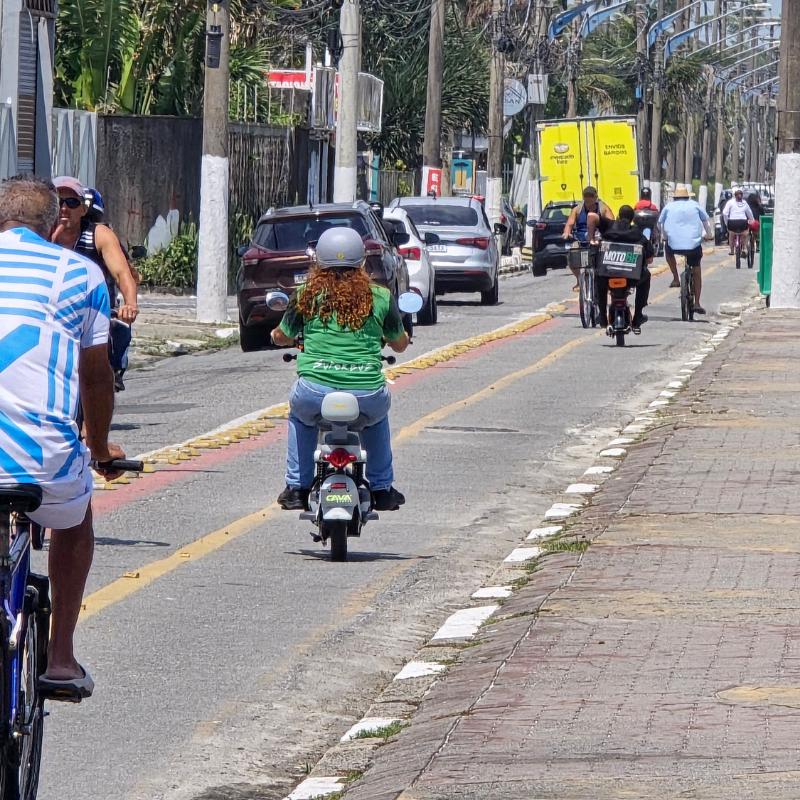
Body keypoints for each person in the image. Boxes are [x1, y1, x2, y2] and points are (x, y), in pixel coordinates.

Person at [0, 175, 124, 701]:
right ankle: (62, 657)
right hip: (44, 460)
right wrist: (100, 447)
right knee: (76, 518)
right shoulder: (80, 273)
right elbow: (96, 377)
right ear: (54, 227)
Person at [271, 227, 409, 513]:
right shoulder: (380, 297)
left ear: (318, 261)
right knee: (376, 418)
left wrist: (276, 336)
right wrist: (397, 336)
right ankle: (382, 488)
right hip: (366, 393)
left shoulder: (306, 294)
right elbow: (399, 344)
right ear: (362, 262)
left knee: (300, 417)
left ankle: (297, 487)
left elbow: (283, 336)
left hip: (314, 392)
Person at [51, 177, 139, 391]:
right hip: (55, 311)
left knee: (118, 329)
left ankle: (112, 373)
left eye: (72, 203)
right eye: (59, 202)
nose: (64, 208)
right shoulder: (41, 235)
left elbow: (122, 274)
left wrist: (130, 304)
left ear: (83, 209)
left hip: (95, 312)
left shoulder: (99, 235)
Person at [595, 205, 654, 334]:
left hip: (607, 276)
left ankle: (603, 317)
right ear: (632, 219)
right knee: (646, 276)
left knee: (598, 279)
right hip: (631, 278)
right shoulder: (638, 234)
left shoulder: (608, 232)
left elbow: (592, 217)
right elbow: (650, 258)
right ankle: (638, 315)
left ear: (618, 216)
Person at [658, 186, 714, 313]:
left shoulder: (668, 207)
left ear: (675, 197)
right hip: (693, 246)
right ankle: (697, 303)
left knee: (668, 252)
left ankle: (675, 278)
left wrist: (665, 237)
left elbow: (660, 223)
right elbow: (705, 221)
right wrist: (709, 235)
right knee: (697, 270)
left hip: (673, 245)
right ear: (688, 196)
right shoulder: (695, 205)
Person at [562, 186, 615, 291]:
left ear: (595, 197)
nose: (588, 198)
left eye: (591, 196)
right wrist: (566, 233)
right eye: (586, 196)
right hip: (582, 240)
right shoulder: (577, 209)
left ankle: (607, 283)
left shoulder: (603, 208)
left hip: (599, 239)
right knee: (572, 254)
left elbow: (612, 223)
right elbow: (570, 224)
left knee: (610, 256)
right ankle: (579, 280)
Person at [722, 188, 754, 257]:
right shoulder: (744, 203)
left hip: (732, 223)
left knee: (731, 234)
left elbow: (724, 213)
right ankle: (744, 248)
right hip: (743, 222)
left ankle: (732, 251)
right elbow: (749, 213)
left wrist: (727, 223)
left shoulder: (730, 202)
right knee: (745, 233)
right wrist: (752, 220)